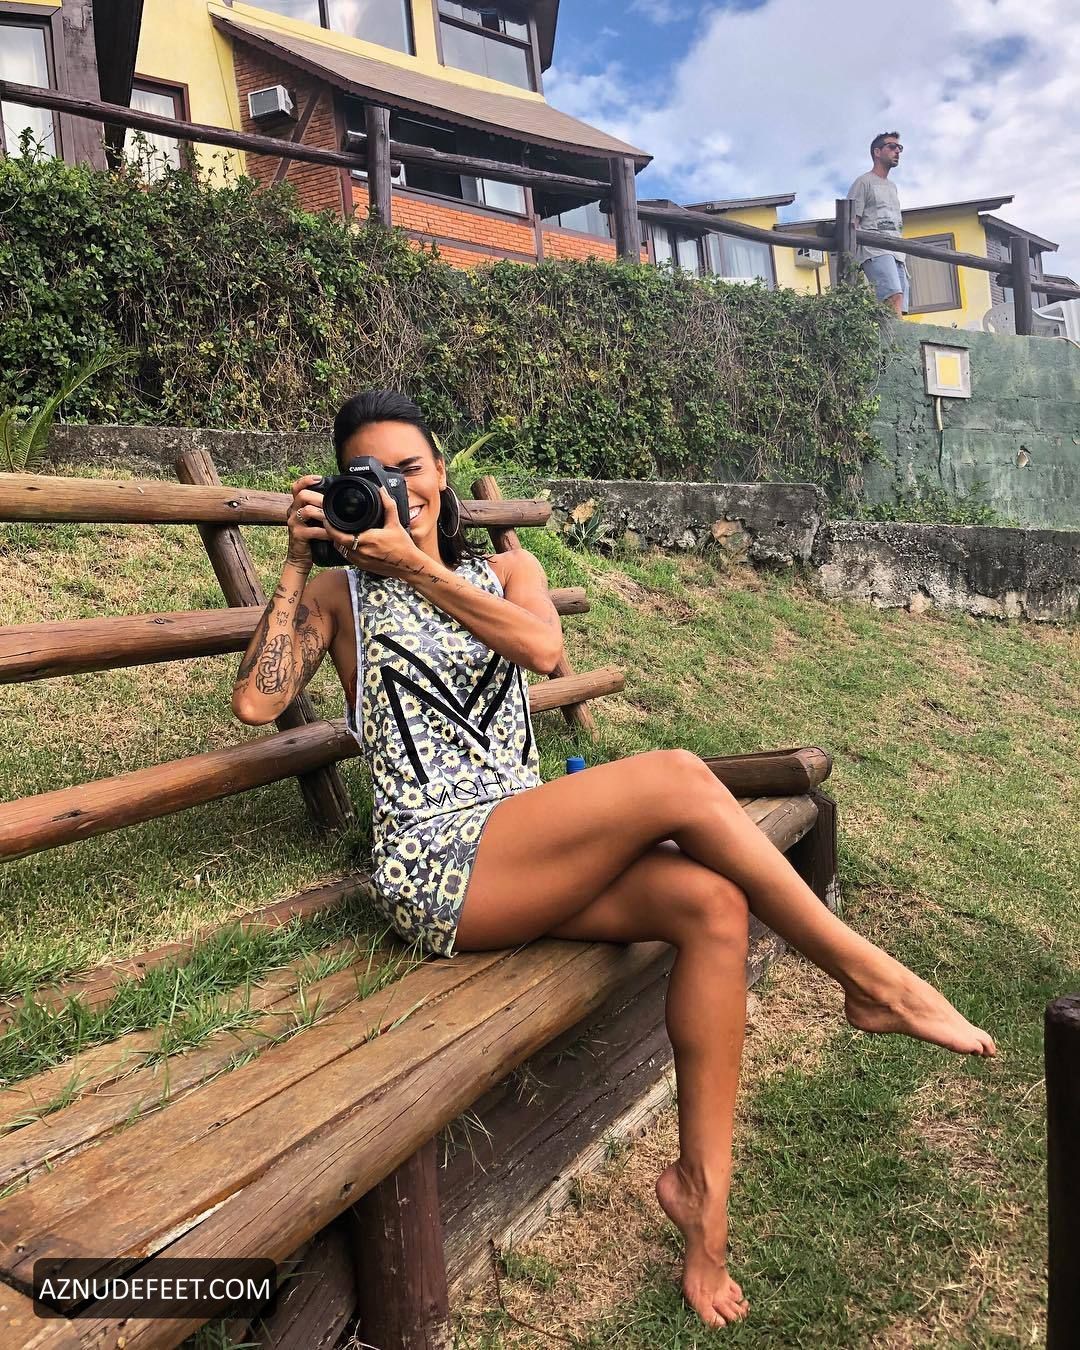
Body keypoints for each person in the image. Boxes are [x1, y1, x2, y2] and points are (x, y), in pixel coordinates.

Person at [232, 389, 997, 1331]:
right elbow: (257, 704)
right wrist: (295, 561)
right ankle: (869, 976)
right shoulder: (336, 596)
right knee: (675, 776)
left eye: (410, 467)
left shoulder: (509, 569)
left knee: (710, 907)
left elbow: (542, 647)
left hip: (527, 838)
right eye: (371, 473)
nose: (395, 487)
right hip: (437, 866)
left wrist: (418, 566)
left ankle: (701, 1197)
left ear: (440, 473)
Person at [849, 131, 908, 317]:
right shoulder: (863, 182)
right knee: (893, 297)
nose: (897, 151)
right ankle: (897, 338)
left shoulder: (893, 186)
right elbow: (852, 221)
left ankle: (892, 335)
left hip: (898, 251)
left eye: (899, 148)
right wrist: (851, 260)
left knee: (900, 307)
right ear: (877, 151)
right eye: (892, 147)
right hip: (875, 249)